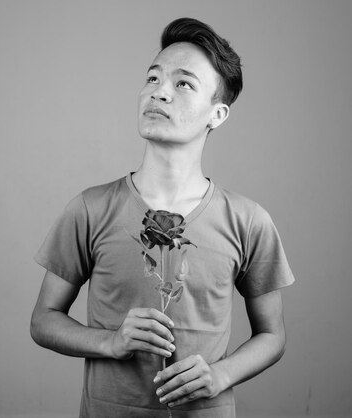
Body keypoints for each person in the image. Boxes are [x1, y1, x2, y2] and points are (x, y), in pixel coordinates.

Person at [30, 17, 295, 418]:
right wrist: (111, 342)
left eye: (183, 83)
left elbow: (273, 335)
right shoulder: (90, 208)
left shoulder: (249, 220)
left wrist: (221, 375)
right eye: (152, 79)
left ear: (217, 114)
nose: (159, 93)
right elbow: (43, 320)